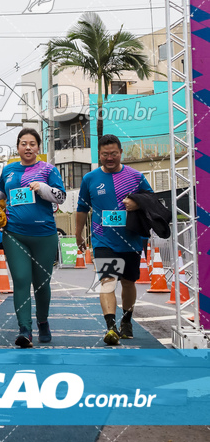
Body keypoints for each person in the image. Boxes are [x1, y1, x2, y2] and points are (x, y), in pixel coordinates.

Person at [0, 128, 66, 348]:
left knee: (42, 284)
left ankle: (43, 321)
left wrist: (43, 188)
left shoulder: (48, 169)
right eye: (24, 143)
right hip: (14, 233)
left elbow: (62, 195)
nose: (28, 147)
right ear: (18, 146)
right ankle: (24, 329)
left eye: (32, 143)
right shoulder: (9, 170)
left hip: (44, 234)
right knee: (21, 280)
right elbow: (1, 190)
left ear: (38, 147)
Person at [76, 134, 154, 346]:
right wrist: (78, 234)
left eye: (113, 154)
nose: (109, 158)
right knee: (107, 281)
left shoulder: (136, 176)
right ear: (99, 155)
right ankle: (111, 328)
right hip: (103, 240)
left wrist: (137, 204)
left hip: (131, 239)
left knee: (128, 282)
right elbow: (82, 209)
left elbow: (152, 199)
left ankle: (126, 321)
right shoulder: (90, 179)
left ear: (121, 153)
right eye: (105, 154)